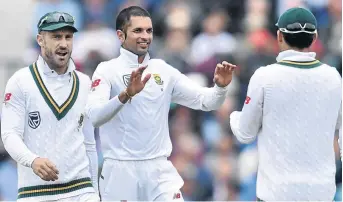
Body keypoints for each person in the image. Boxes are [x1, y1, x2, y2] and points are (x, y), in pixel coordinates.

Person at [85, 6, 236, 201]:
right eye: (138, 30)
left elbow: (206, 102)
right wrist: (126, 94)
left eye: (149, 30)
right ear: (120, 35)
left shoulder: (163, 70)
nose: (145, 36)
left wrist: (220, 88)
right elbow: (95, 117)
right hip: (120, 171)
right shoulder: (106, 70)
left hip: (159, 170)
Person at [229, 7, 342, 201]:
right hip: (321, 194)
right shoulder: (333, 77)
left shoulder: (264, 77)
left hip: (276, 194)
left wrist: (234, 116)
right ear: (314, 38)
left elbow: (245, 134)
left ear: (279, 36)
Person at [1, 12, 99, 202]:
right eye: (56, 37)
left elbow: (89, 143)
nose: (63, 44)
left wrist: (94, 191)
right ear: (40, 39)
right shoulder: (21, 82)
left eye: (68, 37)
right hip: (35, 193)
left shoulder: (85, 83)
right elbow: (9, 135)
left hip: (80, 191)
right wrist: (33, 160)